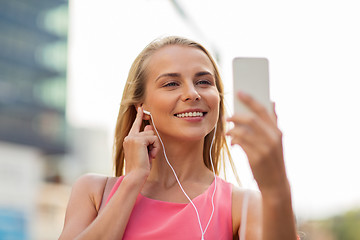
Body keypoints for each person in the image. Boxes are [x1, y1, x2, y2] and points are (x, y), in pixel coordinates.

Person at [59, 36, 298, 240]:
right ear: (141, 106)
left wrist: (276, 187)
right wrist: (132, 181)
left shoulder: (242, 205)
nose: (192, 93)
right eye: (171, 83)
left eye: (204, 82)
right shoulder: (93, 192)